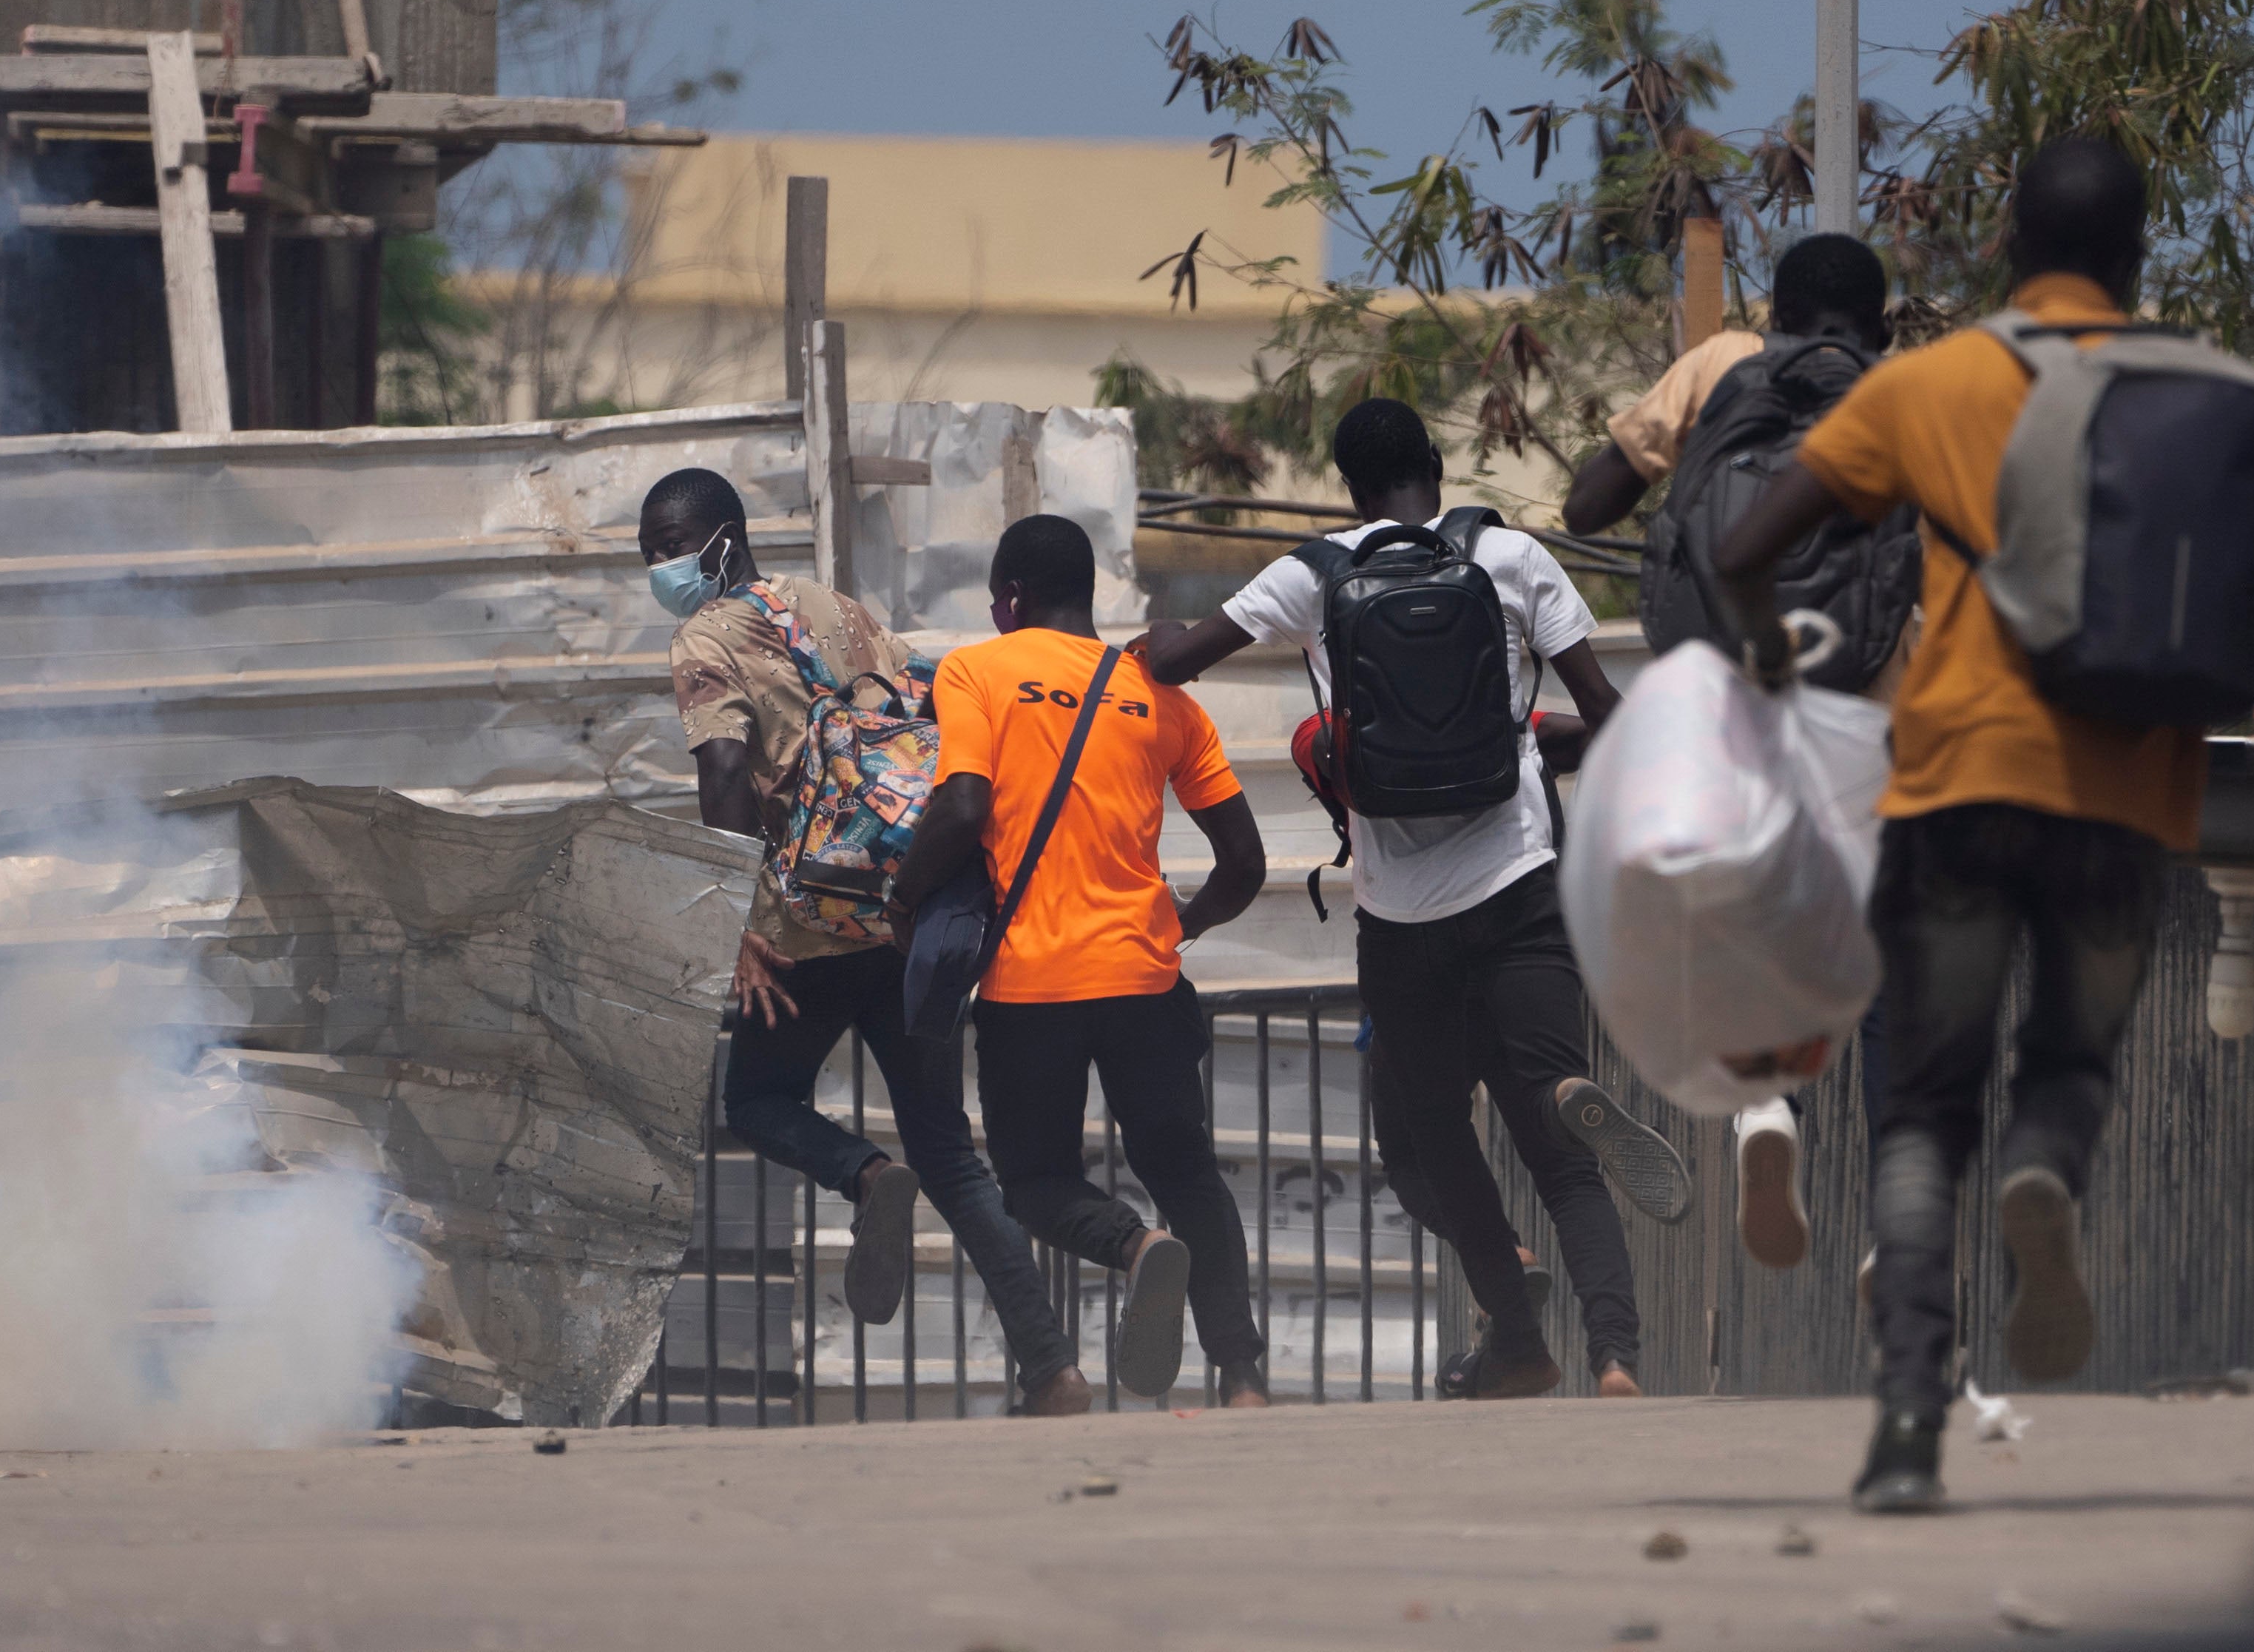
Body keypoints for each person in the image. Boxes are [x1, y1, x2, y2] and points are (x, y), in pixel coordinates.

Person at [1715, 137, 2207, 1511]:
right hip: (2125, 791)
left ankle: (1905, 1433)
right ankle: (2046, 1169)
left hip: (1956, 783)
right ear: (2137, 253)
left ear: (2003, 247)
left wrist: (1767, 668)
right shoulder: (2201, 393)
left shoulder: (1926, 384)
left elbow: (1746, 547)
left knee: (1923, 1116)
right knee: (2063, 1068)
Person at [1139, 398, 1686, 1400]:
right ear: (1436, 465)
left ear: (1348, 486)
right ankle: (1617, 1357)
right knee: (1562, 1150)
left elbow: (1175, 662)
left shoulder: (1313, 571)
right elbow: (1608, 716)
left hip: (1401, 917)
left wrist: (1162, 635)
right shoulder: (1516, 558)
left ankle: (1518, 1340)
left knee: (1436, 1135)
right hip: (1521, 883)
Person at [638, 469, 1090, 1416]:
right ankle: (1051, 1367)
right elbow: (918, 718)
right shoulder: (837, 608)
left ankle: (865, 1176)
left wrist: (732, 924)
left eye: (669, 548)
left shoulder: (704, 638)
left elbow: (724, 779)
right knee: (955, 1157)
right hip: (896, 914)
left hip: (800, 929)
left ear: (722, 539)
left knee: (758, 1100)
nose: (660, 569)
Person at [1565, 231, 1907, 1273]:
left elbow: (1586, 507)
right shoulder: (1909, 395)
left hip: (1728, 708)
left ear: (1775, 311)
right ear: (1881, 327)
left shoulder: (1720, 367)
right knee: (1887, 964)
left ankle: (1765, 1109)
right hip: (1864, 707)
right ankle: (1900, 1215)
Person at [894, 515, 1275, 1406]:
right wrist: (1179, 926)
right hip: (1143, 978)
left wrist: (902, 900)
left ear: (1012, 597)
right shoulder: (1161, 695)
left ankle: (1132, 1245)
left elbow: (959, 809)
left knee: (1032, 1183)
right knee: (1188, 1176)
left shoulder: (974, 671)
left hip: (1031, 987)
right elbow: (1244, 865)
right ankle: (1244, 1377)